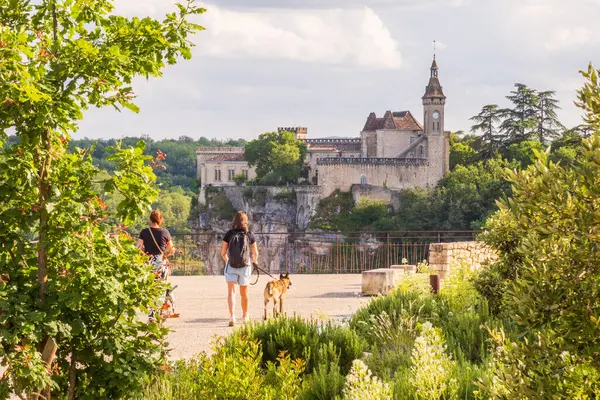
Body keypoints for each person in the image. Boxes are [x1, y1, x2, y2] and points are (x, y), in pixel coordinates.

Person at [221, 211, 259, 326]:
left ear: (234, 221)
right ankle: (245, 315)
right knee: (244, 293)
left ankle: (232, 316)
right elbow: (255, 253)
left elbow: (223, 253)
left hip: (231, 265)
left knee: (231, 292)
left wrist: (227, 260)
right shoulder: (249, 234)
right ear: (246, 221)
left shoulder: (229, 234)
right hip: (245, 265)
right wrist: (254, 261)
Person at [137, 210, 175, 322]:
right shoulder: (165, 232)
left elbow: (138, 248)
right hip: (161, 263)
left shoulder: (144, 232)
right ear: (161, 220)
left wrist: (145, 255)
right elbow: (171, 249)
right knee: (161, 287)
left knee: (150, 288)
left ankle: (151, 314)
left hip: (148, 263)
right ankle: (158, 311)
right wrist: (166, 252)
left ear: (150, 219)